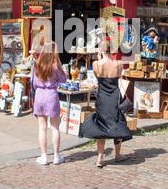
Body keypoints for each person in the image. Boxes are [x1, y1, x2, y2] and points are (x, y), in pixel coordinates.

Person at [79, 38, 132, 168]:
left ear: (101, 49)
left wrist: (99, 57)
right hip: (114, 96)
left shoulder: (97, 64)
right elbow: (119, 76)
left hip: (102, 96)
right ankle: (118, 155)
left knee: (101, 124)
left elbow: (97, 77)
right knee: (117, 123)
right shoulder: (119, 63)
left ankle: (100, 157)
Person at [32, 41, 67, 165]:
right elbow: (64, 79)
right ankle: (57, 156)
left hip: (39, 95)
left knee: (42, 129)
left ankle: (44, 156)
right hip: (51, 95)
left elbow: (34, 83)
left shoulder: (37, 65)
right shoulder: (55, 66)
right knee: (55, 128)